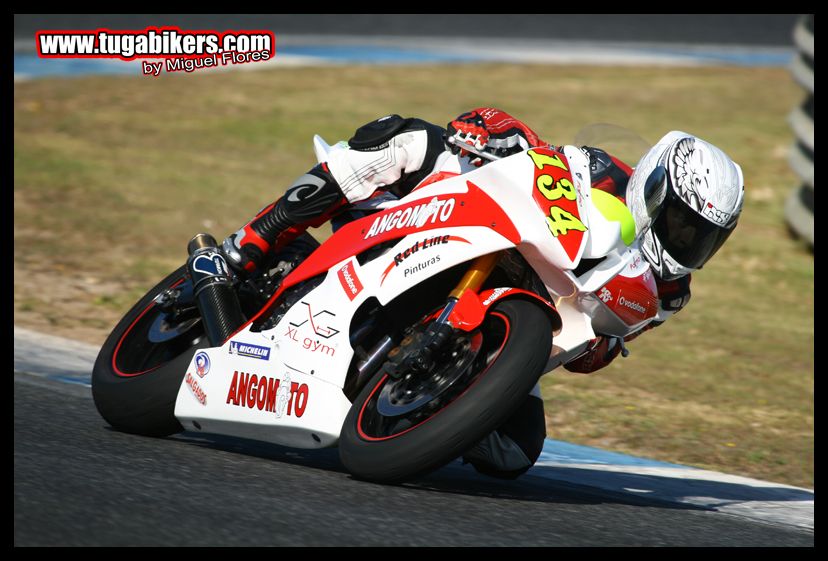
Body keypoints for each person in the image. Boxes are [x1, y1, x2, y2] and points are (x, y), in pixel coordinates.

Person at [219, 108, 745, 479]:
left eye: (704, 237)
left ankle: (422, 407)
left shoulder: (669, 293)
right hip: (458, 238)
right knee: (405, 138)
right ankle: (247, 243)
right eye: (682, 223)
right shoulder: (602, 171)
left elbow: (589, 358)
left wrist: (602, 340)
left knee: (515, 454)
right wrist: (495, 130)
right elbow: (537, 161)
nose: (689, 241)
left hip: (509, 321)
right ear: (655, 189)